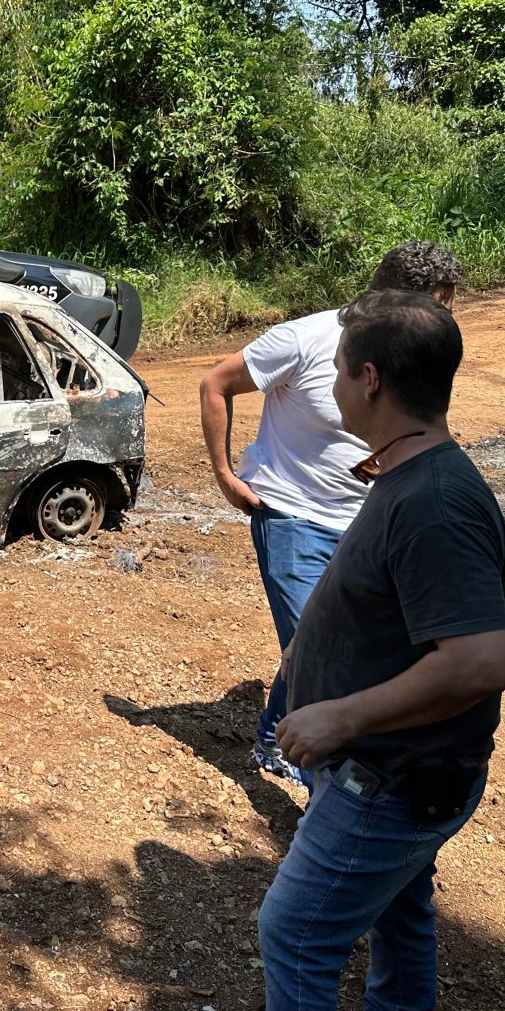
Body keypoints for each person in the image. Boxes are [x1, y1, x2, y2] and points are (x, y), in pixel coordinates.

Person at [249, 289, 505, 1011]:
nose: (327, 387)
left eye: (334, 372)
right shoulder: (404, 470)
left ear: (369, 380)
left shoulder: (435, 501)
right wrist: (310, 652)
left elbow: (478, 661)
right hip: (387, 771)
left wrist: (339, 717)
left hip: (393, 780)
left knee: (294, 933)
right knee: (402, 911)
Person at [199, 241, 465, 785]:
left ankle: (276, 734)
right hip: (294, 515)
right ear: (398, 300)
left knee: (333, 640)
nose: (449, 316)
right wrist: (226, 475)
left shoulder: (412, 352)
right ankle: (320, 771)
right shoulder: (305, 338)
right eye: (441, 302)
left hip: (369, 522)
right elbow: (215, 384)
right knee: (321, 648)